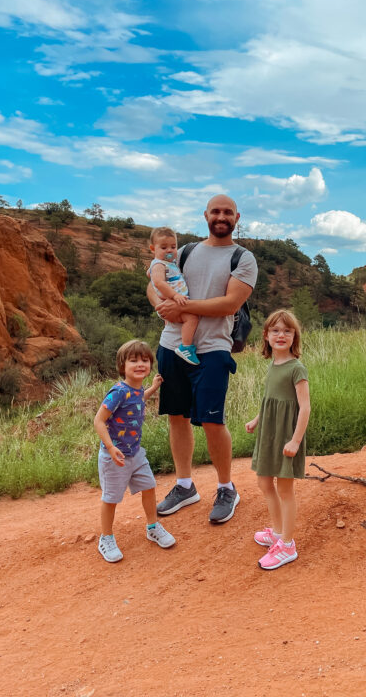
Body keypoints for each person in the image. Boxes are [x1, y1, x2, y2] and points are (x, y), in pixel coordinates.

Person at [151, 194, 258, 524]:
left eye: (227, 212)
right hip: (171, 346)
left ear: (236, 217)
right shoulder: (184, 252)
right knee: (177, 416)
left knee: (212, 421)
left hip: (213, 349)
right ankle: (185, 486)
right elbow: (153, 283)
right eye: (216, 211)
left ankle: (227, 488)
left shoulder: (243, 258)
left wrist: (181, 307)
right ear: (206, 215)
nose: (221, 216)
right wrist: (160, 305)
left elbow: (228, 304)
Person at [93, 340, 176, 563]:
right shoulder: (118, 391)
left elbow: (139, 399)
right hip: (115, 457)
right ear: (123, 365)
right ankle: (106, 538)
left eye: (145, 360)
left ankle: (152, 527)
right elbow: (99, 421)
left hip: (136, 453)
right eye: (134, 360)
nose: (140, 364)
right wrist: (110, 448)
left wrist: (153, 387)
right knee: (110, 499)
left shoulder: (137, 390)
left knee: (149, 486)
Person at [244, 309, 310, 570]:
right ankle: (277, 529)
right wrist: (256, 419)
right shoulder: (273, 365)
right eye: (275, 331)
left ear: (295, 337)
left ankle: (288, 544)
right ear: (266, 336)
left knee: (284, 488)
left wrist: (295, 441)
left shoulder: (297, 368)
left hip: (286, 435)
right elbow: (270, 402)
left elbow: (304, 407)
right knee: (263, 482)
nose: (281, 335)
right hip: (269, 433)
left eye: (287, 330)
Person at [147, 227, 200, 366]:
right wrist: (175, 296)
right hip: (172, 301)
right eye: (164, 247)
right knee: (192, 318)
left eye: (173, 246)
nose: (169, 250)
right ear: (153, 249)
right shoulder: (159, 265)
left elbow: (151, 275)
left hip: (172, 301)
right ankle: (186, 347)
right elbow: (158, 282)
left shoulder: (166, 264)